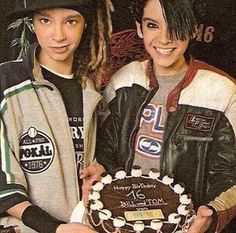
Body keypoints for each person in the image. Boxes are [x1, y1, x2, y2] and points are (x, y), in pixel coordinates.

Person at [95, 0, 236, 232]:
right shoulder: (124, 80)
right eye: (153, 25)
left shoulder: (222, 91)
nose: (164, 39)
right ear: (139, 28)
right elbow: (105, 149)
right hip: (124, 221)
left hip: (187, 224)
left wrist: (211, 213)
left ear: (193, 29)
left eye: (176, 26)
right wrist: (98, 170)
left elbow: (228, 172)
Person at [0, 0, 113, 232]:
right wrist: (56, 229)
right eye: (45, 21)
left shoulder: (89, 90)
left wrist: (98, 169)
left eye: (71, 21)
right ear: (32, 23)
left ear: (85, 24)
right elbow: (4, 188)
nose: (58, 35)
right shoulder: (6, 83)